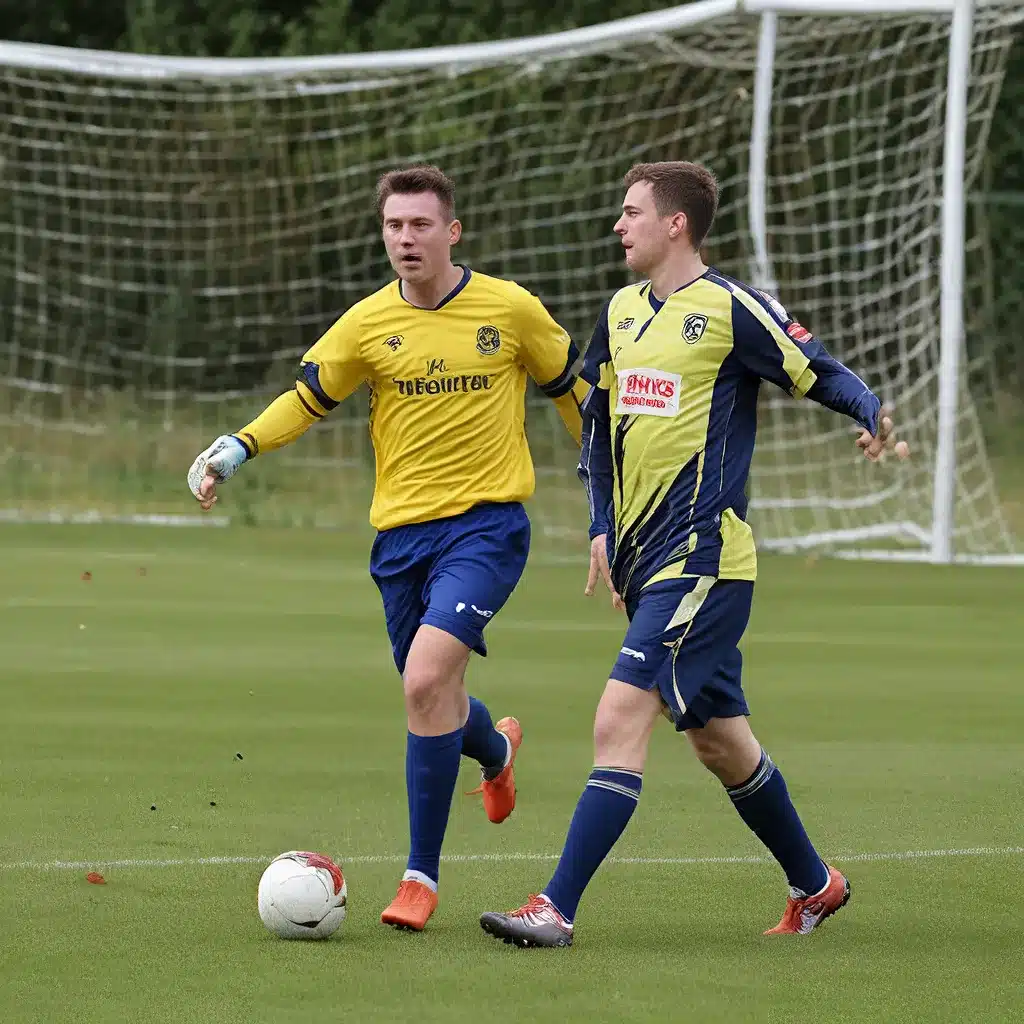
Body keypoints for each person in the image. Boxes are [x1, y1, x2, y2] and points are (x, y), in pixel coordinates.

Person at [479, 160, 909, 948]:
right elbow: (597, 430)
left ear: (676, 224)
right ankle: (817, 885)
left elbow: (819, 371)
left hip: (704, 559)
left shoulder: (732, 309)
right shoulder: (617, 312)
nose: (619, 224)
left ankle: (555, 908)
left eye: (632, 211)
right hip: (646, 562)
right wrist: (603, 527)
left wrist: (871, 413)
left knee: (619, 716)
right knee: (719, 742)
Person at [186, 165, 588, 932]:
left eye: (421, 225)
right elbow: (307, 400)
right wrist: (237, 447)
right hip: (400, 540)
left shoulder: (509, 309)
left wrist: (605, 482)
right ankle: (496, 751)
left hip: (487, 528)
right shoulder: (367, 323)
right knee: (432, 694)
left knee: (424, 682)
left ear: (452, 232)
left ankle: (419, 877)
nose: (406, 239)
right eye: (395, 226)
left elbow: (571, 390)